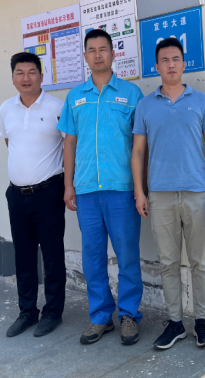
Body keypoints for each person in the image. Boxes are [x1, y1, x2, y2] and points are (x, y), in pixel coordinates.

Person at [131, 38, 205, 350]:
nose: (170, 64)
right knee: (168, 262)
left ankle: (201, 321)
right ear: (156, 67)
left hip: (197, 192)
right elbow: (138, 152)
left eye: (175, 59)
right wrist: (140, 191)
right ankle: (175, 323)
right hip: (160, 195)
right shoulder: (145, 105)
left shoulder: (200, 101)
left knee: (200, 261)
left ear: (184, 64)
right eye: (164, 60)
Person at [57, 29, 145, 346]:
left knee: (127, 255)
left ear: (113, 53)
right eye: (91, 50)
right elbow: (69, 143)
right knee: (92, 257)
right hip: (86, 191)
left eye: (103, 49)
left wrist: (141, 187)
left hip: (121, 189)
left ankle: (129, 315)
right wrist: (68, 185)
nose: (97, 54)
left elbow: (141, 146)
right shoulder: (75, 97)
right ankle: (100, 316)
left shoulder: (131, 94)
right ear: (85, 56)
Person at [0, 52, 66, 338]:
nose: (25, 78)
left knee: (52, 255)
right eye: (20, 72)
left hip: (48, 192)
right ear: (13, 77)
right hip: (16, 195)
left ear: (41, 75)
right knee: (23, 256)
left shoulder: (57, 107)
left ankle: (53, 312)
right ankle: (27, 311)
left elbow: (69, 148)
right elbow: (10, 143)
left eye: (31, 72)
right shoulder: (6, 108)